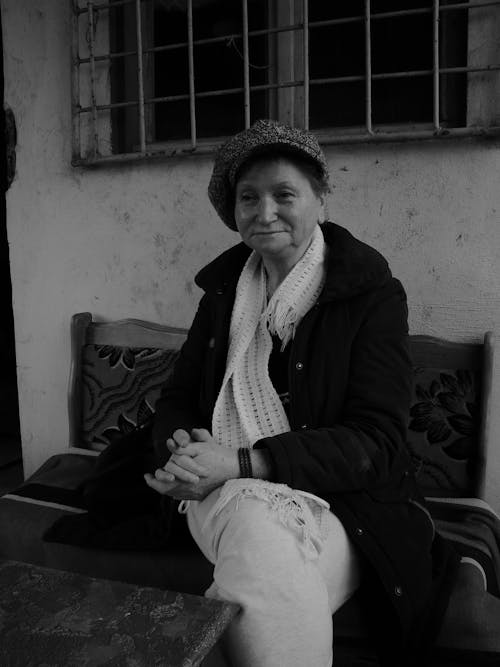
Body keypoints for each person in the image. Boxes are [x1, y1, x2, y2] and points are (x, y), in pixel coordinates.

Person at [144, 119, 457, 667]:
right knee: (256, 529)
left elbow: (378, 442)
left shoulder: (372, 296)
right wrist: (180, 453)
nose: (265, 213)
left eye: (284, 194)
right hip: (213, 490)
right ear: (234, 211)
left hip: (347, 506)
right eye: (248, 198)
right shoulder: (222, 293)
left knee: (259, 564)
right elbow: (178, 396)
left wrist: (243, 462)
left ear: (319, 199)